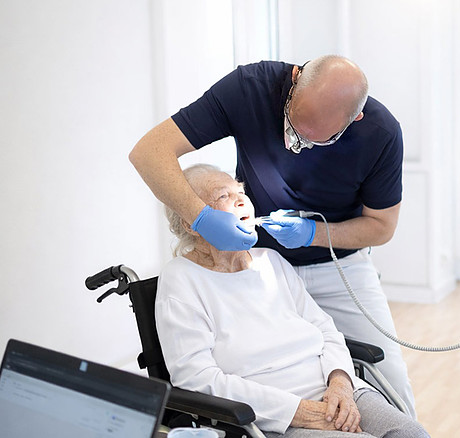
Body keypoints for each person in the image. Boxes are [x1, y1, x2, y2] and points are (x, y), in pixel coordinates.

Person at [129, 55, 417, 418]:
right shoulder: (247, 90)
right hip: (254, 264)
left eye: (319, 140)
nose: (299, 146)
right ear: (295, 81)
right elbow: (149, 152)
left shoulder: (382, 133)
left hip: (335, 263)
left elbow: (382, 227)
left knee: (393, 385)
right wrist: (200, 216)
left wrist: (314, 233)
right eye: (295, 129)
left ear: (353, 120)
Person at [155, 164, 428, 438]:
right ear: (191, 223)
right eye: (222, 196)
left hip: (335, 391)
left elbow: (326, 330)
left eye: (240, 190)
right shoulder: (182, 279)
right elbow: (196, 379)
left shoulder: (271, 260)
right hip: (271, 416)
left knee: (411, 433)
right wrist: (300, 411)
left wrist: (341, 383)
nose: (241, 199)